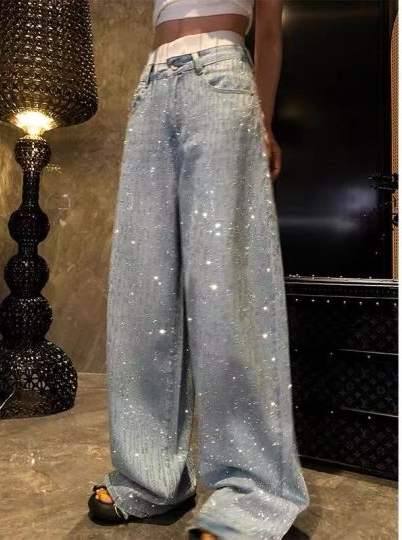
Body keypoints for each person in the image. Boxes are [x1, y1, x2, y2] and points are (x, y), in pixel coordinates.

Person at [88, 1, 310, 538]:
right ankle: (149, 477)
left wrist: (263, 119)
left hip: (221, 77)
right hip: (151, 85)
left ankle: (252, 493)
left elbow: (269, 32)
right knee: (142, 288)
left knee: (225, 289)